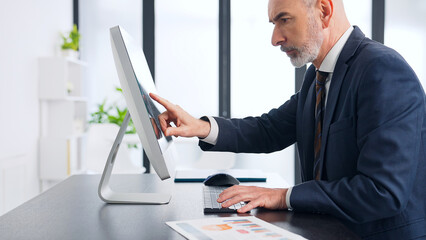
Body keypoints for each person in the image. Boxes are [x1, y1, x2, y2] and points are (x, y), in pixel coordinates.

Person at [150, 0, 426, 239]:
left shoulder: (382, 71)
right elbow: (269, 129)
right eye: (274, 23)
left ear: (324, 10)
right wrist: (201, 128)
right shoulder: (317, 77)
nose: (275, 38)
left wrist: (284, 197)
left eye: (284, 20)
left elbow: (382, 192)